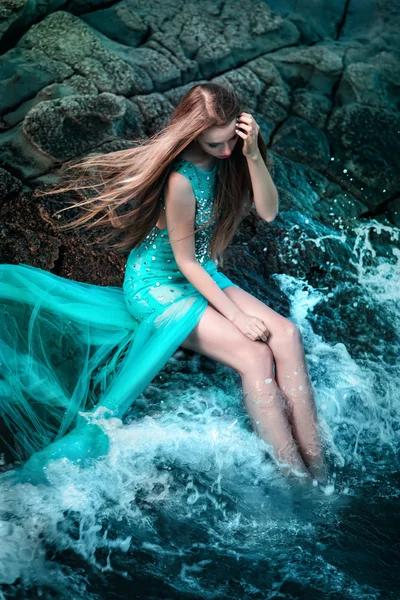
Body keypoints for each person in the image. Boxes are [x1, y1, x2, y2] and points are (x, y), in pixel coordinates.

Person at [0, 82, 327, 483]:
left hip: (204, 273)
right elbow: (186, 264)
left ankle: (319, 469)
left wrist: (253, 153)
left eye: (229, 141)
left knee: (288, 335)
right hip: (158, 285)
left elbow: (269, 212)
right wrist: (238, 317)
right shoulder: (180, 182)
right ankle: (294, 479)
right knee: (254, 357)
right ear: (192, 135)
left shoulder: (231, 156)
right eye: (213, 144)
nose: (224, 151)